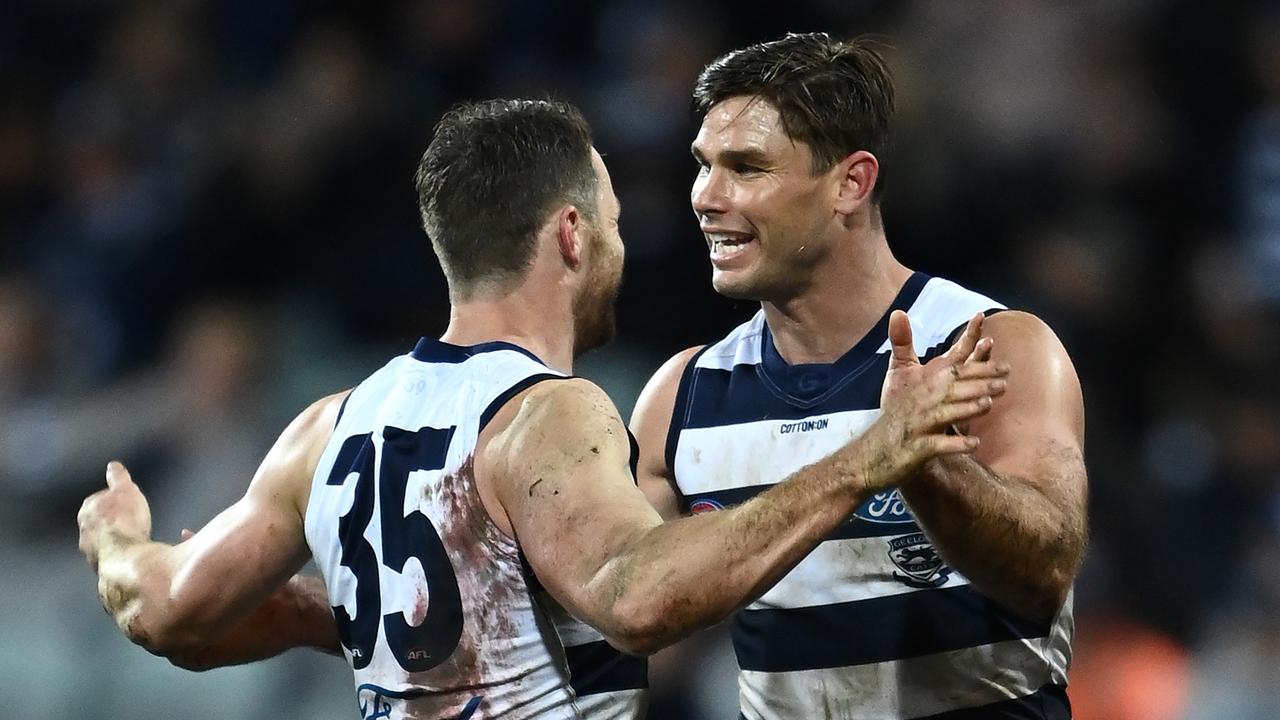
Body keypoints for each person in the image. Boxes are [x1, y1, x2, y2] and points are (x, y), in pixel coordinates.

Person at [77, 98, 1010, 720]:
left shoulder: (329, 427)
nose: (618, 244)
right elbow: (639, 599)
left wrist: (118, 537)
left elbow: (169, 614)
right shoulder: (548, 415)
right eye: (606, 221)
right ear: (570, 233)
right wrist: (866, 456)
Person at [627, 33, 1087, 719]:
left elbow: (1044, 575)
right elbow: (638, 618)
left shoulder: (990, 346)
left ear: (851, 182)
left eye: (747, 168)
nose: (707, 197)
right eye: (704, 166)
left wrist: (930, 467)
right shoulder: (681, 399)